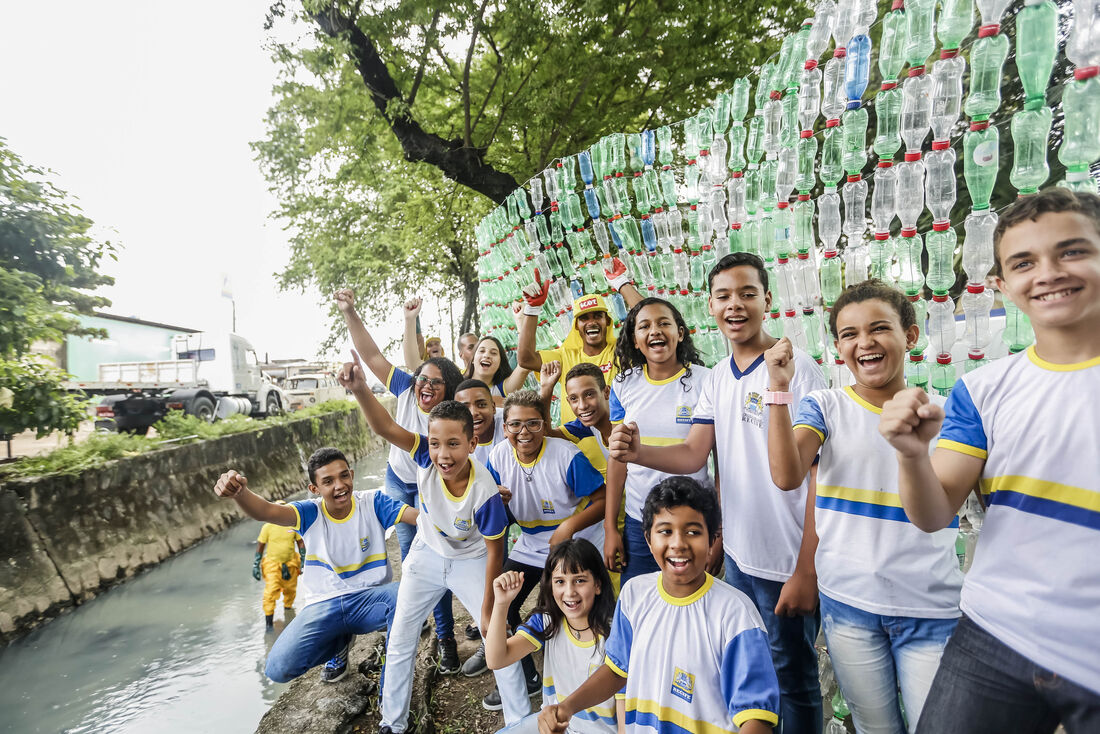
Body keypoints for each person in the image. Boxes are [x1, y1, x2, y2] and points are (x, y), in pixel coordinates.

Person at [879, 188, 1100, 734]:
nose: (1048, 273)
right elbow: (935, 513)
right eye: (1024, 262)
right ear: (1000, 284)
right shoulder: (981, 390)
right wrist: (912, 454)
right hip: (994, 634)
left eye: (1072, 251)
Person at [609, 252, 826, 733]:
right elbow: (694, 454)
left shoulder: (797, 370)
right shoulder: (718, 377)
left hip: (786, 560)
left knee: (793, 678)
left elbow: (818, 476)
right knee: (754, 679)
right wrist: (639, 452)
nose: (735, 305)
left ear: (767, 299)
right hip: (741, 559)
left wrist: (806, 569)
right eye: (724, 296)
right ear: (709, 306)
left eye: (747, 294)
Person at [766, 280, 963, 733]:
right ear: (838, 348)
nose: (865, 342)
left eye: (879, 328)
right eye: (850, 334)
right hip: (849, 606)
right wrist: (778, 388)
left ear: (910, 336)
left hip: (930, 609)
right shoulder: (825, 406)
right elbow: (787, 475)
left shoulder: (945, 413)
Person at [336, 352, 532, 733]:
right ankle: (393, 723)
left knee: (497, 636)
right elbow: (385, 427)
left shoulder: (485, 492)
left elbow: (495, 553)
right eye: (437, 443)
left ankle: (520, 722)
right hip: (426, 554)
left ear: (472, 444)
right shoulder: (424, 453)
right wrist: (359, 388)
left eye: (454, 444)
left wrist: (489, 610)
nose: (444, 454)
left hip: (473, 560)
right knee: (401, 636)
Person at [537, 476, 781, 734]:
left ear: (712, 540)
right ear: (648, 539)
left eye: (693, 532)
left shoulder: (736, 615)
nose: (678, 543)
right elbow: (617, 671)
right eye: (665, 531)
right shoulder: (634, 594)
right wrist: (566, 708)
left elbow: (756, 719)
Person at [337, 289, 466, 673]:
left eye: (435, 382)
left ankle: (446, 638)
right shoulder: (406, 387)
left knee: (435, 557)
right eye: (422, 377)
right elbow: (372, 355)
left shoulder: (453, 415)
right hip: (398, 480)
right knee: (412, 559)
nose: (424, 385)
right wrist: (349, 311)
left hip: (430, 488)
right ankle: (414, 625)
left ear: (449, 391)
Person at [214, 448, 417, 684]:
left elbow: (418, 517)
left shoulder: (374, 502)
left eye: (344, 476)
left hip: (370, 599)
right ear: (314, 489)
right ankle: (338, 644)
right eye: (328, 481)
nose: (339, 486)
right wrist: (240, 493)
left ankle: (390, 686)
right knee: (277, 669)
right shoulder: (309, 512)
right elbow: (265, 511)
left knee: (410, 597)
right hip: (324, 604)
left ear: (352, 475)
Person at [481, 389, 607, 712]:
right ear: (505, 426)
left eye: (533, 424)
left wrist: (568, 527)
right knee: (503, 602)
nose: (524, 432)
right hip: (531, 543)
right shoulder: (497, 457)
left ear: (543, 424)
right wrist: (497, 501)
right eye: (515, 424)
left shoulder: (566, 455)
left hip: (574, 542)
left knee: (564, 604)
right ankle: (527, 676)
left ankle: (584, 668)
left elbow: (604, 499)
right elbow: (496, 513)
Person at [601, 297, 713, 585]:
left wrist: (720, 530)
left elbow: (717, 460)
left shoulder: (706, 382)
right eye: (644, 326)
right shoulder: (623, 384)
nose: (655, 331)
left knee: (690, 599)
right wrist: (611, 528)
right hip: (639, 520)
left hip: (691, 518)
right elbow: (617, 457)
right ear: (634, 340)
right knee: (640, 598)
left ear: (680, 333)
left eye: (664, 323)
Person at [486, 539, 625, 734]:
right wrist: (501, 604)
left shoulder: (616, 635)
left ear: (598, 585)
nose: (569, 592)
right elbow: (496, 659)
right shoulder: (547, 621)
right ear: (550, 586)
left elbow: (624, 719)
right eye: (560, 581)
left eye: (580, 580)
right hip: (554, 726)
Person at [517, 263, 643, 424]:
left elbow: (652, 318)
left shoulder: (623, 351)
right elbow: (525, 359)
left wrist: (621, 282)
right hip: (574, 440)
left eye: (597, 316)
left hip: (621, 438)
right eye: (584, 318)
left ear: (607, 321)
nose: (591, 322)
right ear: (576, 326)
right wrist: (532, 309)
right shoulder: (563, 357)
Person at [539, 362, 613, 480]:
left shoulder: (628, 420)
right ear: (568, 401)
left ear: (606, 392)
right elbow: (545, 433)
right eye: (574, 398)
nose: (582, 406)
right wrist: (546, 388)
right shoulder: (586, 426)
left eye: (589, 394)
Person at [254, 503, 306, 630]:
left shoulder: (292, 526)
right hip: (272, 566)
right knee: (270, 593)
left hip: (291, 564)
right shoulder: (267, 527)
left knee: (290, 591)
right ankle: (268, 625)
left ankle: (288, 616)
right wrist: (256, 564)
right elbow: (261, 545)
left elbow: (300, 542)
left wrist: (303, 559)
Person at [466, 335, 531, 399]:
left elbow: (525, 363)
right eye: (482, 351)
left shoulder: (503, 388)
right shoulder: (460, 381)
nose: (486, 355)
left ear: (500, 362)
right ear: (473, 359)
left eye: (493, 353)